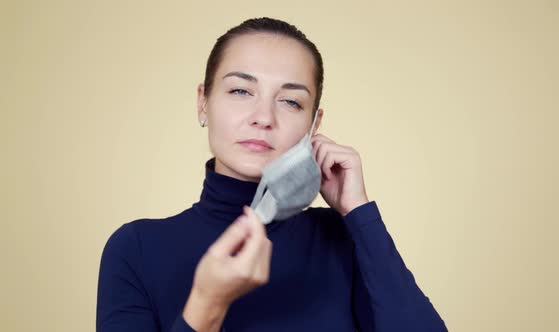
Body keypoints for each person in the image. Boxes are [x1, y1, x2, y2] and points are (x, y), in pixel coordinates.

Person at [96, 17, 447, 332]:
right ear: (203, 102)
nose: (263, 117)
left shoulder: (345, 239)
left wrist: (359, 213)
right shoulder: (136, 249)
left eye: (290, 101)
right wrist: (208, 305)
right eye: (240, 91)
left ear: (314, 125)